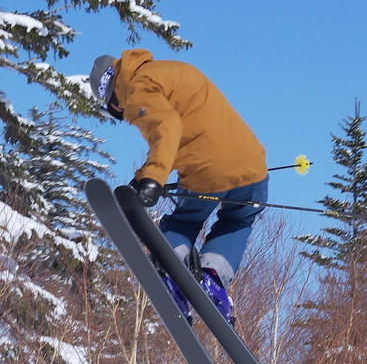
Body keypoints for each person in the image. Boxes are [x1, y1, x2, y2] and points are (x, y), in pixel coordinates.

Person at [89, 49, 268, 326]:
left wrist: (153, 179)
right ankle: (213, 277)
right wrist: (141, 177)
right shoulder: (169, 71)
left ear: (111, 92)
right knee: (238, 219)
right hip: (253, 167)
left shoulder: (136, 87)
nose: (120, 114)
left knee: (183, 220)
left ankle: (171, 270)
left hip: (207, 170)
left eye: (111, 109)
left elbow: (166, 128)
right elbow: (191, 127)